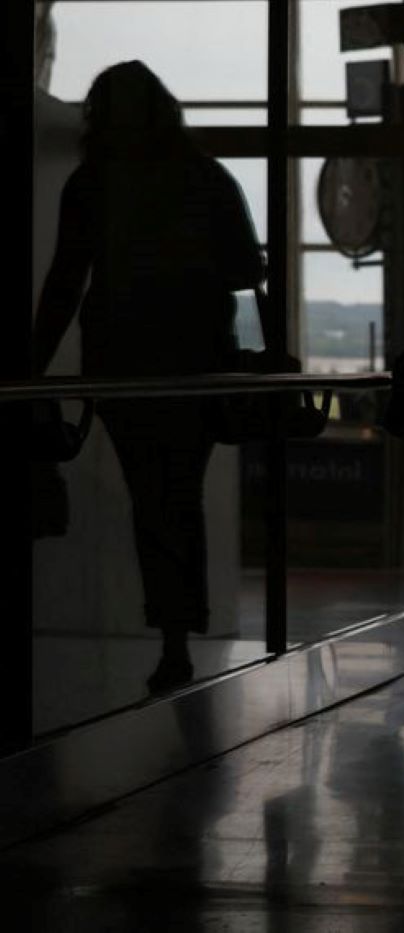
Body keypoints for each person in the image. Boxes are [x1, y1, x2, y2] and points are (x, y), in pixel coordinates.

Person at [31, 61, 265, 694]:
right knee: (177, 494)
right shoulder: (204, 178)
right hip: (193, 363)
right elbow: (247, 269)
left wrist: (32, 365)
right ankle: (177, 631)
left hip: (122, 366)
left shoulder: (91, 184)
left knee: (151, 499)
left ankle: (172, 632)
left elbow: (64, 283)